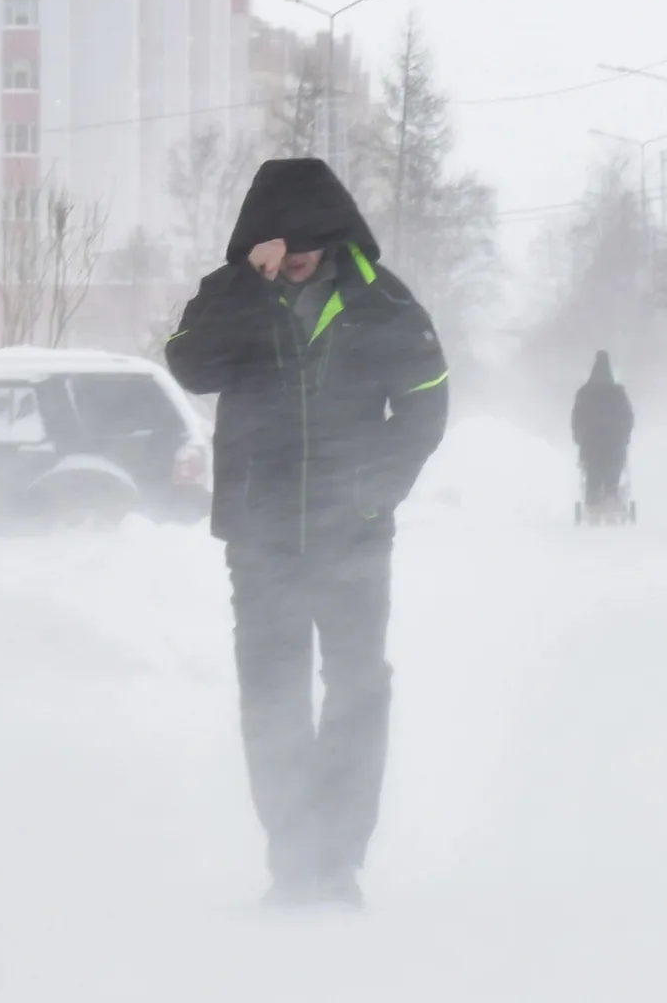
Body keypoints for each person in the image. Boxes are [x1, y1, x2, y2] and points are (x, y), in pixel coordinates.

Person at [164, 158, 450, 910]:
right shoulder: (233, 296)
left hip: (352, 539)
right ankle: (293, 861)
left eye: (304, 239)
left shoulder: (383, 304)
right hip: (259, 540)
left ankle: (339, 858)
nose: (291, 252)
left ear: (332, 234)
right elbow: (190, 366)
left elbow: (425, 406)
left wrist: (370, 493)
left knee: (357, 688)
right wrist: (242, 286)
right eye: (275, 238)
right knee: (272, 696)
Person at [571, 350, 634, 509]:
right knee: (613, 469)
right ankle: (611, 496)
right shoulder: (618, 394)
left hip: (590, 443)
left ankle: (592, 499)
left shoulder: (584, 393)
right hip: (615, 443)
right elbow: (628, 417)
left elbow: (576, 417)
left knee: (592, 471)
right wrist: (625, 436)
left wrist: (578, 437)